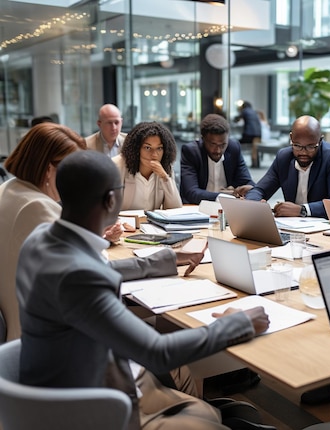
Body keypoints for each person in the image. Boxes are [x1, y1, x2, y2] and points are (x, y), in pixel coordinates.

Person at [17, 150, 270, 430]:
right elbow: (156, 352)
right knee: (208, 410)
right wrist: (240, 322)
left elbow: (93, 274)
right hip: (90, 405)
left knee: (201, 400)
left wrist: (168, 258)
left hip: (67, 374)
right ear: (112, 199)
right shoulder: (78, 276)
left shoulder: (42, 238)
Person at [0, 123, 86, 342]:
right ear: (49, 169)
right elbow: (88, 274)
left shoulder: (8, 190)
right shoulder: (37, 207)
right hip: (43, 344)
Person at [246, 115, 330, 218]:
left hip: (323, 229)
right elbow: (259, 190)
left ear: (320, 141)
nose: (303, 152)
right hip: (291, 227)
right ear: (291, 138)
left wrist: (302, 210)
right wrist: (253, 203)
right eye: (297, 146)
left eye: (310, 147)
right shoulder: (284, 157)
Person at [180, 114, 255, 204]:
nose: (218, 150)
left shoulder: (233, 148)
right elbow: (191, 192)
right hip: (197, 207)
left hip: (227, 209)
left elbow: (247, 181)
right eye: (213, 144)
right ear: (203, 139)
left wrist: (250, 189)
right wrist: (225, 196)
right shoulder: (192, 152)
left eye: (223, 145)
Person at [113, 121, 182, 211]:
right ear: (136, 148)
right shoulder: (117, 166)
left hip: (151, 224)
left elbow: (175, 209)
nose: (154, 155)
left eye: (159, 148)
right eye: (147, 148)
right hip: (123, 223)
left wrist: (165, 178)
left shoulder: (165, 168)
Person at [234, 101, 262, 167]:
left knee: (235, 144)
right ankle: (255, 163)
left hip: (249, 135)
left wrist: (235, 120)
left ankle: (236, 162)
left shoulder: (244, 111)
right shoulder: (254, 112)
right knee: (255, 146)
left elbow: (237, 119)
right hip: (258, 135)